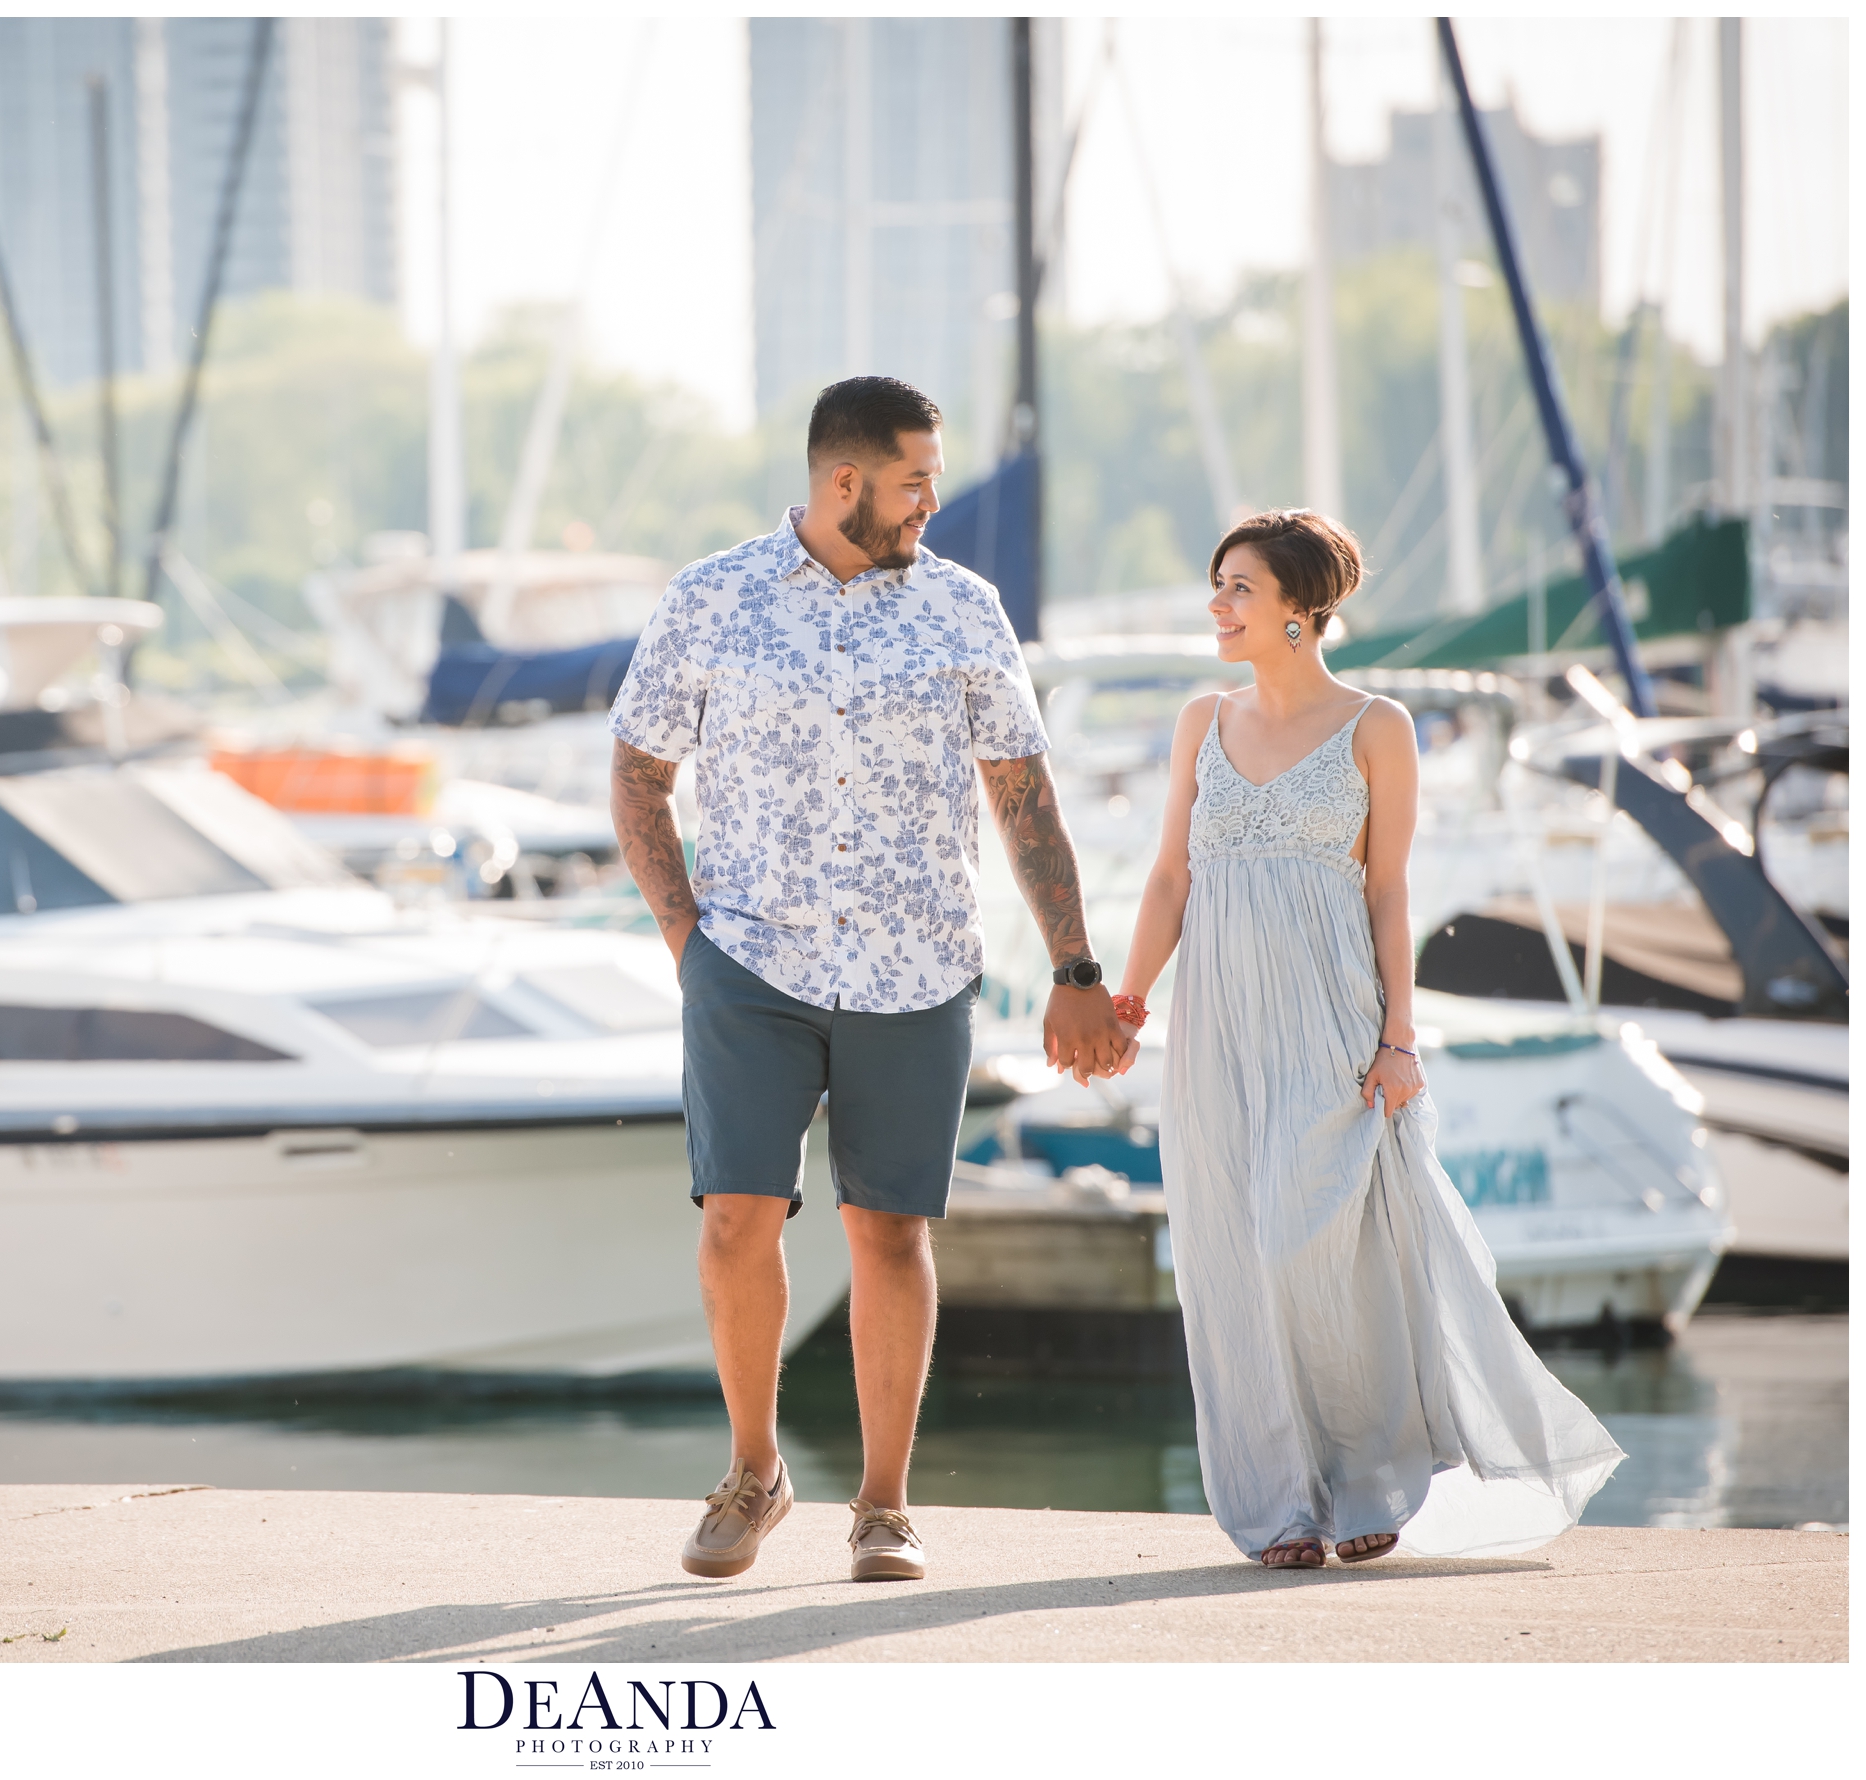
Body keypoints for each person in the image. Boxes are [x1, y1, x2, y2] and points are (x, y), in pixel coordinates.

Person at [607, 376, 1127, 1585]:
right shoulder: (712, 598)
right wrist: (688, 938)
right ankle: (753, 1473)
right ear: (844, 481)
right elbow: (637, 774)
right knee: (738, 1219)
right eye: (912, 480)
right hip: (749, 959)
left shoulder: (962, 608)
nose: (930, 502)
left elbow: (1021, 793)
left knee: (887, 1232)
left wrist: (1073, 966)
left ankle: (883, 1509)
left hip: (918, 963)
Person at [1112, 509, 1623, 1568]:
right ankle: (1279, 1507)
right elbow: (1170, 876)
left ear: (1301, 610)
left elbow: (1388, 890)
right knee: (1233, 1256)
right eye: (1218, 584)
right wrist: (1126, 1000)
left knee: (1317, 1247)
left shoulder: (1374, 726)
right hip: (1214, 1022)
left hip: (1329, 1012)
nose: (1217, 604)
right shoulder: (1200, 721)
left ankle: (1368, 1477)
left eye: (1238, 587)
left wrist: (1400, 1035)